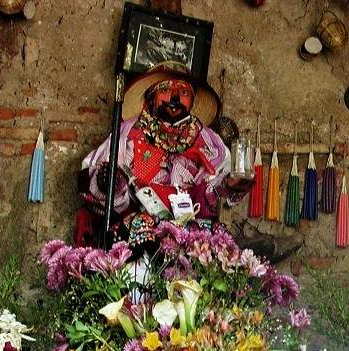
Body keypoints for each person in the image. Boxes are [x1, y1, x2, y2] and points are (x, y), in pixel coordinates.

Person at [75, 63, 251, 249]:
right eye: (166, 89)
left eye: (183, 92)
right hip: (140, 226)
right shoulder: (130, 133)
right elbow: (99, 177)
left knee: (218, 242)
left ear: (191, 100)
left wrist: (231, 184)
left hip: (189, 227)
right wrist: (110, 182)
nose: (174, 97)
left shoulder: (206, 139)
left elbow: (216, 184)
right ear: (152, 97)